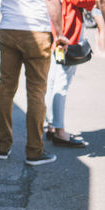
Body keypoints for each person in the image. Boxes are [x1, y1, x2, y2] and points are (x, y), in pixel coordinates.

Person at [0, 0, 69, 165]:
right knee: (36, 91)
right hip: (37, 30)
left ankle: (2, 147)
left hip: (9, 29)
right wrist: (59, 32)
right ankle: (34, 151)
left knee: (6, 87)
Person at [45, 0, 95, 148]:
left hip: (56, 27)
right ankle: (59, 131)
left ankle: (51, 125)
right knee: (62, 80)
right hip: (67, 28)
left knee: (53, 79)